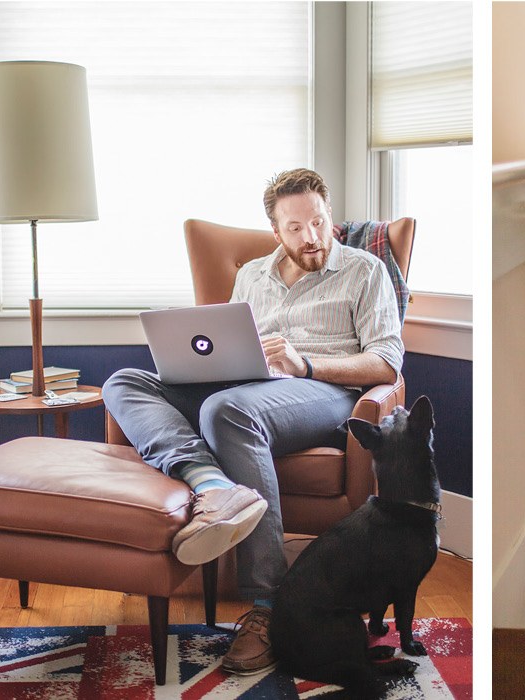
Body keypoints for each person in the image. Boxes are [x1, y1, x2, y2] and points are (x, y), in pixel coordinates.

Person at [102, 168, 404, 673]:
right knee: (124, 382)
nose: (311, 237)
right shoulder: (252, 276)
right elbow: (226, 347)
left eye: (319, 222)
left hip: (324, 392)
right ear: (275, 230)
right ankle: (212, 484)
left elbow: (387, 363)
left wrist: (305, 364)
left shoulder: (365, 270)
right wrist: (208, 369)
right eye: (295, 228)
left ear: (329, 214)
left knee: (225, 410)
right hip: (244, 387)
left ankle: (266, 607)